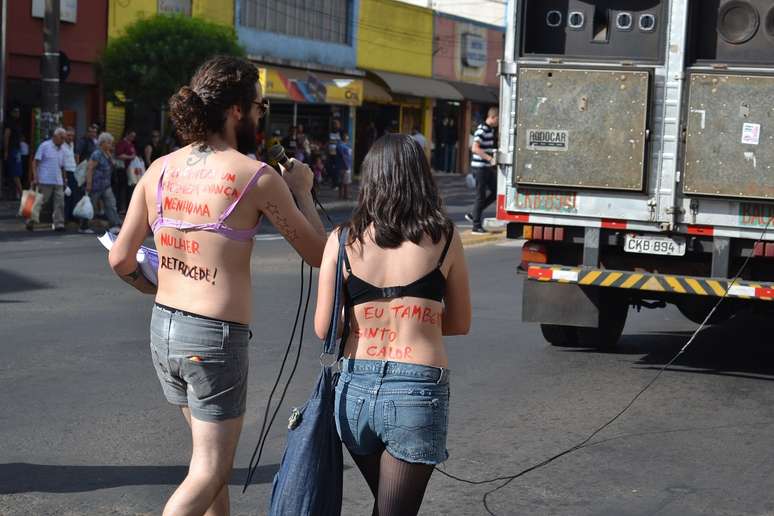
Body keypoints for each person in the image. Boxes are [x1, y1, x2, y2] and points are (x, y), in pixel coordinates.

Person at [107, 56, 327, 516]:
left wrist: (151, 286)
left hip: (163, 330)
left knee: (207, 463)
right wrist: (303, 190)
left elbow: (121, 258)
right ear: (235, 111)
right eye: (259, 107)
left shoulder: (160, 170)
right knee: (210, 469)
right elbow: (319, 254)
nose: (260, 116)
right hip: (212, 339)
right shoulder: (255, 177)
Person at [314, 134, 471, 516]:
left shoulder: (342, 240)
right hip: (416, 389)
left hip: (354, 391)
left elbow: (324, 329)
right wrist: (419, 321)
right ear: (421, 179)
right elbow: (460, 322)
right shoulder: (445, 238)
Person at [465, 107, 499, 234]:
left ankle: (473, 214)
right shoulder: (482, 129)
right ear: (493, 117)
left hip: (486, 168)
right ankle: (476, 226)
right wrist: (490, 158)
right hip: (480, 168)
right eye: (498, 120)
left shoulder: (490, 130)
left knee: (495, 191)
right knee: (480, 196)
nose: (498, 122)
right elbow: (475, 148)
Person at [28, 127, 67, 231]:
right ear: (55, 136)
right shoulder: (45, 146)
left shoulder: (63, 149)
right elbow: (35, 162)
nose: (63, 140)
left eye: (64, 138)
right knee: (41, 202)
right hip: (45, 179)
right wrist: (35, 177)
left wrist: (65, 179)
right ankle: (30, 220)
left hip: (58, 180)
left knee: (60, 203)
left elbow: (62, 166)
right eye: (61, 138)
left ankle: (59, 223)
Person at [84, 132, 123, 235]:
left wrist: (110, 157)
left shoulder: (107, 153)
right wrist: (89, 183)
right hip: (96, 185)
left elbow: (113, 165)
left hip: (106, 185)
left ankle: (115, 224)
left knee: (111, 204)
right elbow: (90, 168)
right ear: (102, 143)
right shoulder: (97, 154)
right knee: (90, 205)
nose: (111, 145)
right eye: (109, 142)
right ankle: (84, 225)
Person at [62, 127, 82, 223]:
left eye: (72, 136)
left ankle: (72, 216)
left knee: (74, 195)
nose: (70, 137)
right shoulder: (62, 146)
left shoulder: (72, 145)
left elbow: (74, 157)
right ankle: (65, 217)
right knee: (67, 196)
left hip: (74, 171)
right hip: (66, 172)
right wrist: (64, 178)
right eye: (68, 135)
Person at [115, 129, 138, 212]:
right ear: (127, 134)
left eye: (134, 137)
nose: (133, 138)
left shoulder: (131, 144)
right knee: (121, 189)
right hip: (122, 169)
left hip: (130, 170)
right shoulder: (122, 143)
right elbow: (119, 155)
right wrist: (130, 157)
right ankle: (119, 208)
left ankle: (127, 207)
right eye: (131, 136)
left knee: (129, 188)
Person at [4, 106, 23, 199]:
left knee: (16, 172)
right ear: (12, 113)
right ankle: (20, 193)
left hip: (17, 150)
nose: (17, 113)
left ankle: (18, 194)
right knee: (14, 173)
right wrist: (6, 150)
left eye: (18, 111)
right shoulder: (10, 123)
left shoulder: (17, 123)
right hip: (12, 150)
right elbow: (7, 136)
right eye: (15, 111)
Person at [326, 118, 342, 187]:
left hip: (337, 153)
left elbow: (342, 142)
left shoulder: (341, 132)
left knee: (337, 169)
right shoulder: (330, 133)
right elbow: (327, 142)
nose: (335, 125)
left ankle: (336, 183)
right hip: (330, 153)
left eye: (337, 124)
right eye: (334, 124)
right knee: (329, 168)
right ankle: (333, 181)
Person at [337, 132, 353, 201]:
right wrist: (346, 165)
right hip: (343, 166)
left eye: (347, 136)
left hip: (347, 166)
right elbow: (343, 156)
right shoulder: (341, 146)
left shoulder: (347, 145)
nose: (347, 137)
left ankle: (345, 195)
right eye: (345, 136)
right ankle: (342, 195)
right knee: (342, 182)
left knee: (346, 182)